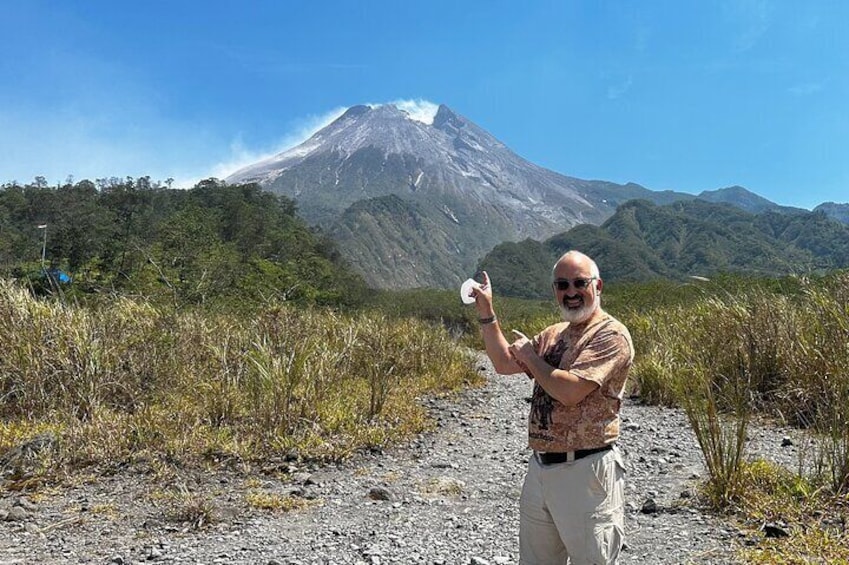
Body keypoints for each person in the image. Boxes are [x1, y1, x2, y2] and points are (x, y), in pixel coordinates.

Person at [469, 250, 634, 565]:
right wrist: (487, 314)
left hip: (586, 471)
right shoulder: (554, 334)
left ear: (597, 286)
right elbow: (504, 363)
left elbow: (569, 391)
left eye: (579, 283)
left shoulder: (611, 335)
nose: (570, 292)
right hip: (541, 468)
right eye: (562, 284)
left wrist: (532, 358)